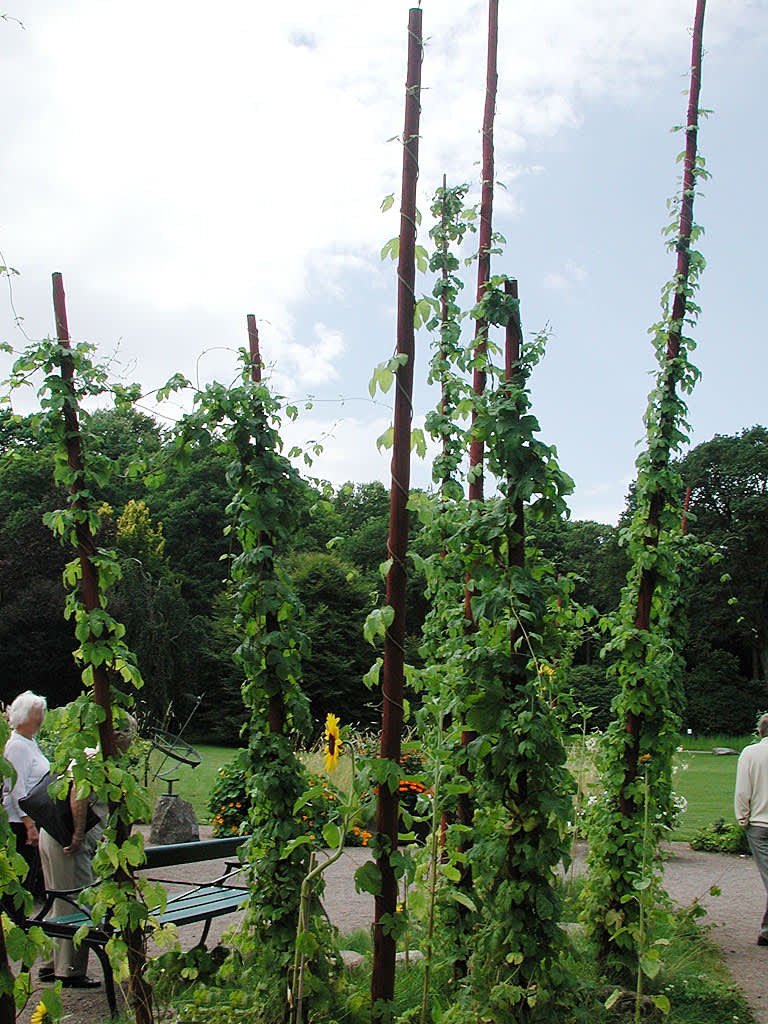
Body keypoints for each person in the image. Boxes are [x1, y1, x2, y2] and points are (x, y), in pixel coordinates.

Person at [38, 712, 137, 988]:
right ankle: (70, 972)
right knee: (77, 903)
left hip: (54, 835)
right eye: (131, 735)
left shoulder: (90, 754)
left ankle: (51, 965)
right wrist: (79, 835)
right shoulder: (96, 758)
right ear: (117, 735)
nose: (132, 741)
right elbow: (78, 795)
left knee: (59, 903)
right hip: (68, 841)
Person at [2, 691, 50, 899]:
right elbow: (16, 789)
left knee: (28, 878)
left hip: (32, 818)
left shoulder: (30, 742)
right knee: (19, 881)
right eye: (36, 713)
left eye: (42, 713)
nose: (40, 718)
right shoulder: (18, 746)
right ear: (22, 716)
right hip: (20, 824)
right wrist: (29, 825)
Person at [735, 712, 768, 945]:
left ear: (760, 731)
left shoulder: (751, 753)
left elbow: (742, 791)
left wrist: (742, 818)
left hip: (759, 824)